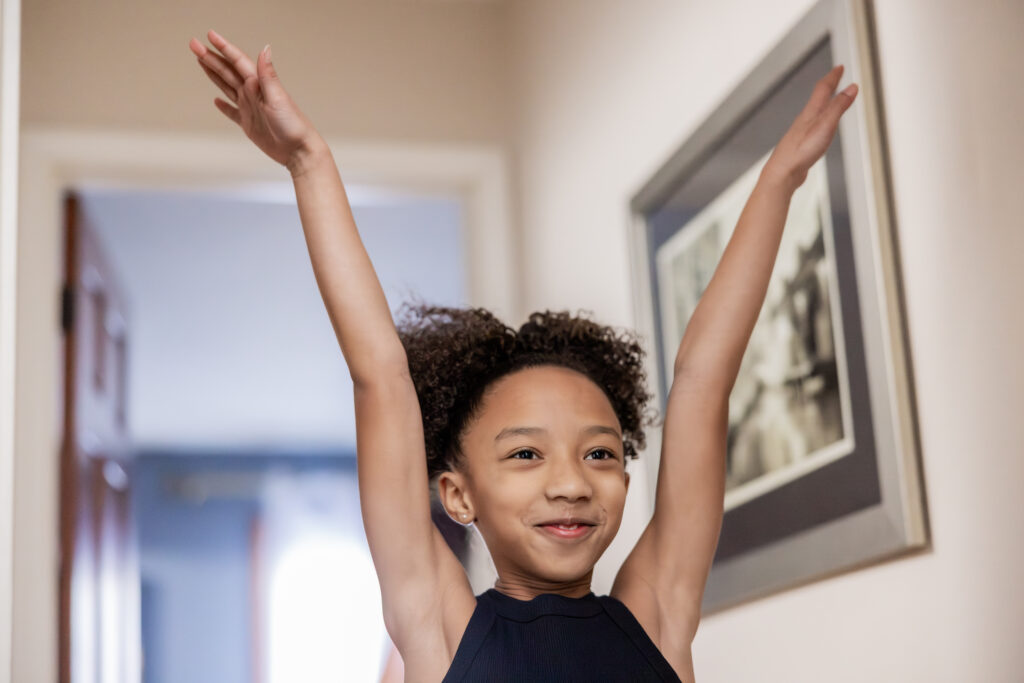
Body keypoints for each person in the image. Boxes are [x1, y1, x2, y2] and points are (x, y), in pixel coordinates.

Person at [188, 29, 858, 682]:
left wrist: (778, 184)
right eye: (525, 453)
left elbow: (703, 380)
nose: (570, 482)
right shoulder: (439, 625)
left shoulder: (658, 615)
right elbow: (380, 374)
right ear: (457, 494)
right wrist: (308, 161)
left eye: (599, 452)